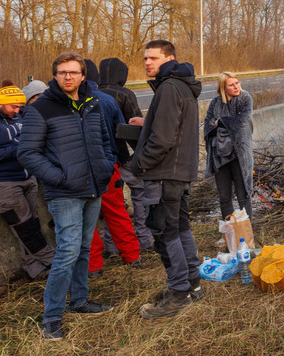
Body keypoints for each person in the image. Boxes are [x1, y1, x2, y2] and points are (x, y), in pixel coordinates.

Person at [18, 52, 116, 341]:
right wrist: (60, 177)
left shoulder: (93, 103)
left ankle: (80, 300)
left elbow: (106, 141)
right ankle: (51, 317)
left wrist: (105, 167)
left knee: (84, 248)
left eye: (73, 72)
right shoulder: (42, 108)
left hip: (93, 187)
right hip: (64, 193)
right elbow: (27, 153)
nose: (68, 77)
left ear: (83, 76)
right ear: (55, 76)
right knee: (67, 252)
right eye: (62, 73)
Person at [124, 40, 204, 319]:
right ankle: (192, 285)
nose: (147, 63)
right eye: (145, 58)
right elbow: (173, 130)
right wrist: (145, 125)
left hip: (164, 174)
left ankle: (178, 294)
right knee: (180, 229)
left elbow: (163, 140)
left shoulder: (169, 88)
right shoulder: (181, 85)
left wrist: (137, 164)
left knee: (164, 233)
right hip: (179, 172)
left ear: (170, 58)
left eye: (154, 58)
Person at [0, 81, 54, 281]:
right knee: (24, 227)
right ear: (0, 103)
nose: (17, 111)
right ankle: (56, 261)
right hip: (3, 182)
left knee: (32, 223)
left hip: (27, 177)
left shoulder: (17, 117)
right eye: (13, 107)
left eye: (20, 107)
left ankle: (34, 268)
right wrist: (18, 150)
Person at [83, 59, 141, 277]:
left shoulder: (62, 102)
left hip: (79, 169)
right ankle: (132, 255)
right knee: (117, 211)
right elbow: (123, 130)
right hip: (109, 164)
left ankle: (94, 265)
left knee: (84, 219)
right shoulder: (108, 100)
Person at [98, 57, 154, 254]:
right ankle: (143, 238)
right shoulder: (124, 94)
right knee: (140, 195)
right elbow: (135, 126)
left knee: (113, 203)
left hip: (103, 159)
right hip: (125, 155)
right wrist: (143, 154)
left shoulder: (90, 94)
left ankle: (111, 244)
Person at [203, 72, 255, 220]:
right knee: (224, 196)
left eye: (237, 83)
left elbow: (244, 121)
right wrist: (231, 123)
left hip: (240, 153)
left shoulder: (245, 98)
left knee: (243, 195)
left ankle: (246, 231)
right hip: (220, 154)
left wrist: (220, 122)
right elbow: (207, 126)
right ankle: (229, 230)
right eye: (231, 85)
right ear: (223, 88)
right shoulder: (215, 103)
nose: (236, 87)